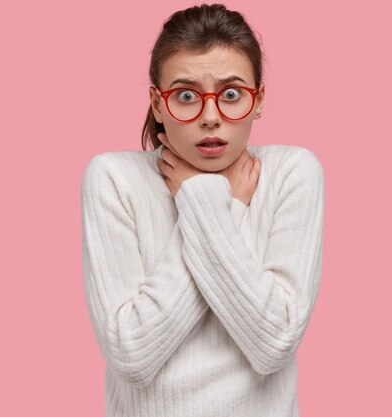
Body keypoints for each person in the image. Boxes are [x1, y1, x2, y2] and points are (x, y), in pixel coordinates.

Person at [81, 3, 325, 416]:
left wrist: (200, 203)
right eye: (186, 96)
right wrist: (220, 205)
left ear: (259, 98)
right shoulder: (113, 178)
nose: (210, 117)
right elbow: (132, 357)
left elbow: (274, 344)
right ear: (158, 105)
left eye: (231, 94)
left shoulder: (291, 172)